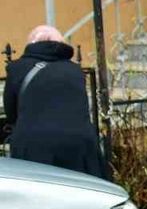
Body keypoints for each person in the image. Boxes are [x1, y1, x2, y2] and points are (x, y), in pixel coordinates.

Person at [3, 25, 106, 178]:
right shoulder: (75, 71)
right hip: (79, 146)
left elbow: (11, 112)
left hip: (33, 147)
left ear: (31, 44)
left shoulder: (17, 68)